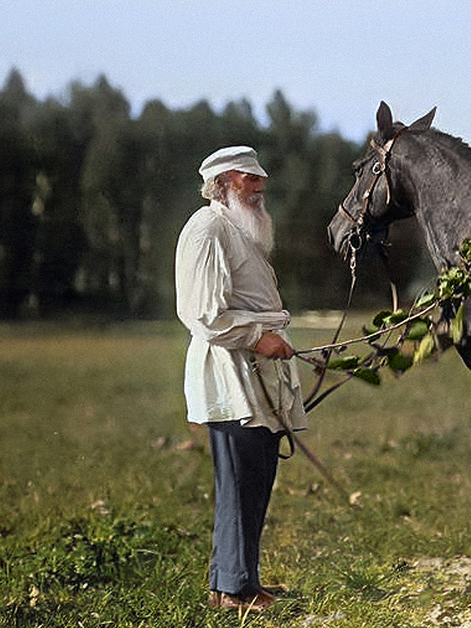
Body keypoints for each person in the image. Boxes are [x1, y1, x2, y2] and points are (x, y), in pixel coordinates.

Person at [175, 146, 307, 612]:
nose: (260, 184)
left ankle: (235, 581)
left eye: (259, 177)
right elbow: (203, 314)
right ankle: (235, 590)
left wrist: (271, 338)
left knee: (255, 479)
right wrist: (258, 337)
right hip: (229, 373)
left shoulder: (239, 229)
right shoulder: (207, 229)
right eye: (249, 178)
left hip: (256, 373)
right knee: (239, 481)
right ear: (223, 184)